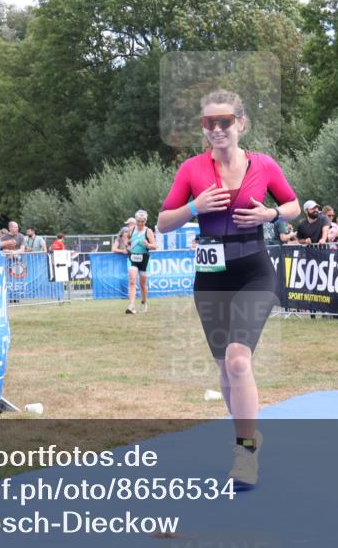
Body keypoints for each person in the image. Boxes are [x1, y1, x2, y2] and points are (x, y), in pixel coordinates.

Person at [157, 89, 299, 487]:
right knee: (225, 369)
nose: (217, 129)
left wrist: (271, 214)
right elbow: (163, 221)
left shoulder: (264, 165)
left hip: (254, 270)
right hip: (211, 277)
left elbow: (293, 204)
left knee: (239, 361)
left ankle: (245, 453)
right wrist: (194, 208)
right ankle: (247, 436)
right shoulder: (191, 170)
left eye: (224, 122)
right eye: (209, 123)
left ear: (240, 124)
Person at [124, 209, 157, 314]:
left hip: (144, 259)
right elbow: (125, 237)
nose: (140, 223)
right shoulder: (132, 229)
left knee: (142, 285)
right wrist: (127, 245)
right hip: (132, 258)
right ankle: (131, 306)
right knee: (132, 280)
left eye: (142, 221)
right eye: (138, 221)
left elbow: (155, 246)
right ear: (136, 220)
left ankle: (144, 302)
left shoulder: (148, 231)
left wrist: (148, 245)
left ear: (145, 221)